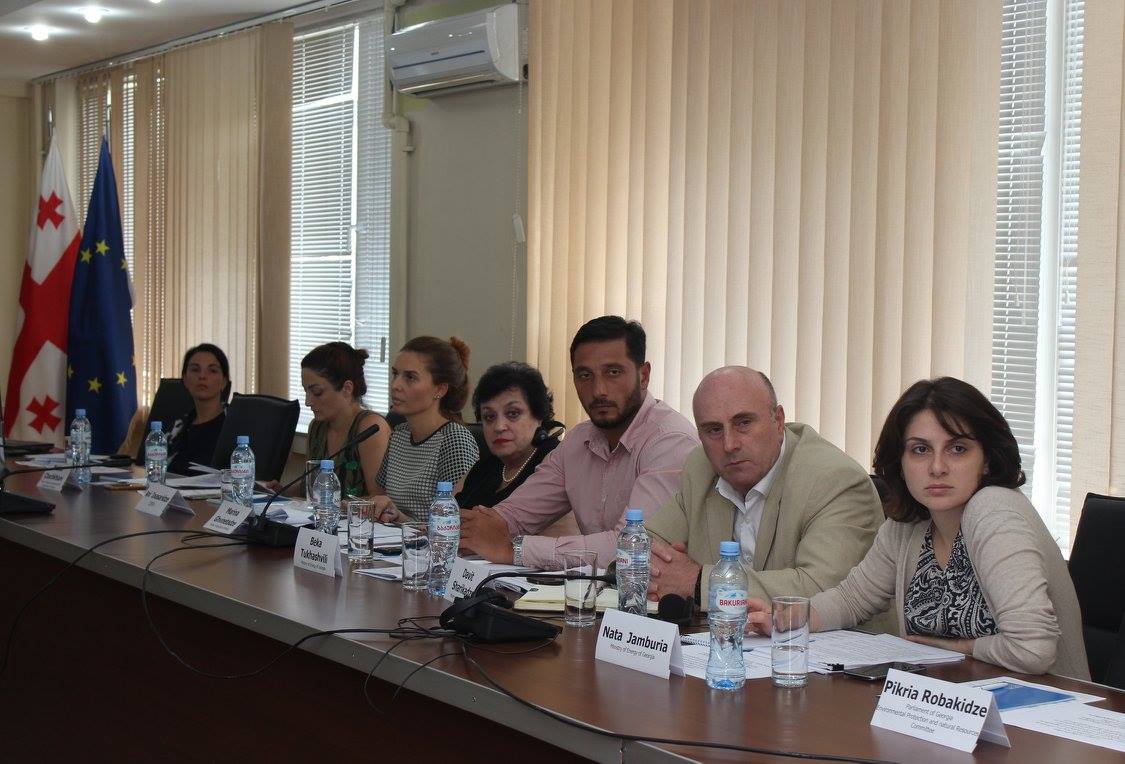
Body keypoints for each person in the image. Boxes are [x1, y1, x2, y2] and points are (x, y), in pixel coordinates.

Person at [746, 377, 1090, 679]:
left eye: (957, 449)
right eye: (921, 450)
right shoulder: (910, 524)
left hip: (1045, 710)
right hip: (951, 703)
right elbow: (853, 599)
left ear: (986, 459)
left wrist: (959, 648)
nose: (937, 467)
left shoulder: (995, 510)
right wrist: (788, 617)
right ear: (901, 461)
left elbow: (1033, 650)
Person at [460, 316, 698, 569]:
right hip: (596, 589)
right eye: (585, 375)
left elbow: (631, 547)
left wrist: (515, 550)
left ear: (644, 375)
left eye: (613, 372)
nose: (598, 390)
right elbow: (512, 516)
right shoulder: (578, 441)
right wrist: (467, 530)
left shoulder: (670, 440)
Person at [645, 366, 886, 612]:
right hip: (722, 634)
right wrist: (660, 571)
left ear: (778, 421)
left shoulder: (835, 480)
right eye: (714, 430)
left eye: (743, 423)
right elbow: (644, 546)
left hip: (830, 637)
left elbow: (824, 589)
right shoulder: (701, 466)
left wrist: (697, 583)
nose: (729, 444)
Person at [373, 336, 480, 522]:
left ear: (440, 389)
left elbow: (454, 523)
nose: (395, 385)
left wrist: (400, 519)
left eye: (410, 377)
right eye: (395, 374)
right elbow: (383, 499)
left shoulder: (455, 440)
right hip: (392, 537)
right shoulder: (399, 433)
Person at [456, 362, 563, 509]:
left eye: (513, 414)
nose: (499, 427)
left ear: (538, 416)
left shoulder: (555, 463)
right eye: (489, 417)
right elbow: (446, 514)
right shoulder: (484, 468)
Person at [302, 342, 390, 497]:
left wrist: (339, 506)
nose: (308, 402)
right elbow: (310, 487)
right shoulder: (317, 427)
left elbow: (379, 499)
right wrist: (274, 491)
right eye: (306, 391)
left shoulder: (371, 428)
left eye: (317, 392)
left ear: (347, 389)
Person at [167, 343, 231, 475]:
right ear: (185, 379)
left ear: (224, 382)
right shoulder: (179, 427)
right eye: (195, 370)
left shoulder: (233, 425)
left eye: (212, 371)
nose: (202, 376)